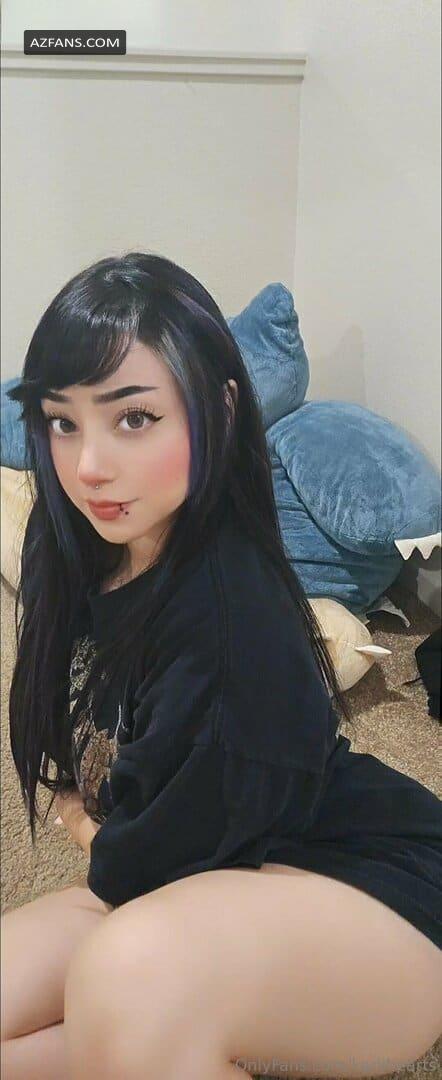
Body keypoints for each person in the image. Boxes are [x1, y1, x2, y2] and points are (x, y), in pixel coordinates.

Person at [1, 252, 441, 1080]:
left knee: (128, 978)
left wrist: (90, 828)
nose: (89, 465)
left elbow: (135, 863)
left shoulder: (231, 624)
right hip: (206, 869)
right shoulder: (69, 544)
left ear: (221, 410)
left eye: (134, 418)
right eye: (63, 422)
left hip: (378, 892)